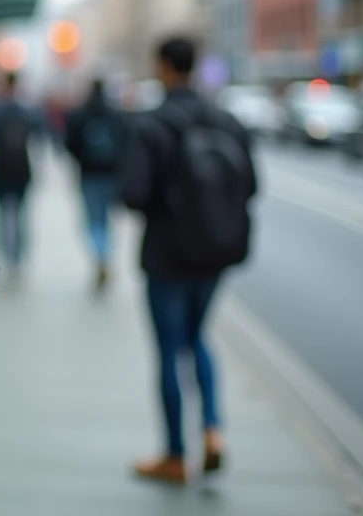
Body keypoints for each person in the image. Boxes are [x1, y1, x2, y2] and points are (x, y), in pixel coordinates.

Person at [119, 37, 257, 484]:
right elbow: (252, 185)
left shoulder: (153, 124)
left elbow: (135, 194)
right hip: (214, 253)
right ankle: (214, 429)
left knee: (167, 351)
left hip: (166, 254)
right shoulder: (227, 120)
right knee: (199, 337)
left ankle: (176, 456)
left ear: (163, 66)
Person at [63, 77, 127, 288]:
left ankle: (100, 255)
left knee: (93, 220)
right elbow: (126, 142)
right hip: (111, 175)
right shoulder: (116, 114)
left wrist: (82, 159)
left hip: (89, 174)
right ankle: (105, 254)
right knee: (108, 219)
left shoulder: (80, 114)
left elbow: (70, 143)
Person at [0, 71, 44, 276]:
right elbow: (38, 138)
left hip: (1, 171)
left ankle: (8, 255)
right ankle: (17, 256)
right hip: (22, 169)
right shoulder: (27, 112)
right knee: (20, 214)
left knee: (3, 215)